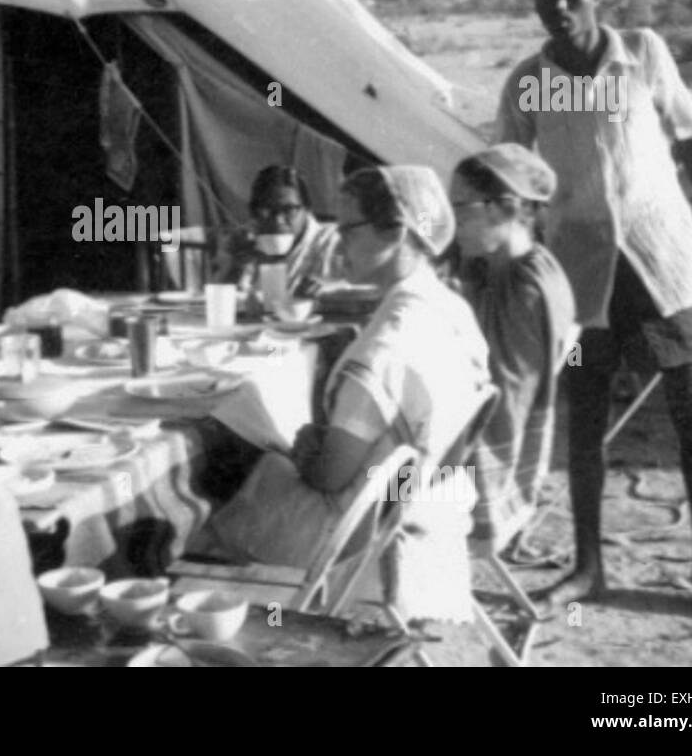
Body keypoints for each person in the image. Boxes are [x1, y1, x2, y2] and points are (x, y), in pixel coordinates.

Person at [497, 0, 692, 612]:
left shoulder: (642, 52)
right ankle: (589, 567)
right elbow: (509, 174)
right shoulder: (529, 78)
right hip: (580, 272)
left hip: (665, 260)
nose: (556, 8)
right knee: (584, 422)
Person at [203, 166, 492, 620]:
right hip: (429, 505)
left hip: (359, 537)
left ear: (397, 231)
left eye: (349, 229)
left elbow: (329, 478)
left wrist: (307, 451)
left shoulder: (387, 344)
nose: (338, 243)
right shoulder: (450, 307)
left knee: (220, 490)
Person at [451, 144, 576, 549]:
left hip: (487, 466)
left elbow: (506, 398)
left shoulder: (527, 288)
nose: (454, 224)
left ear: (504, 208)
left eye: (461, 208)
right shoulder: (498, 266)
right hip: (484, 440)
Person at [212, 165, 344, 300]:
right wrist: (233, 266)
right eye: (267, 210)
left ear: (307, 209)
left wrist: (329, 291)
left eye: (289, 210)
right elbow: (220, 303)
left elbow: (358, 289)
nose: (278, 220)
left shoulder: (333, 242)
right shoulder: (246, 241)